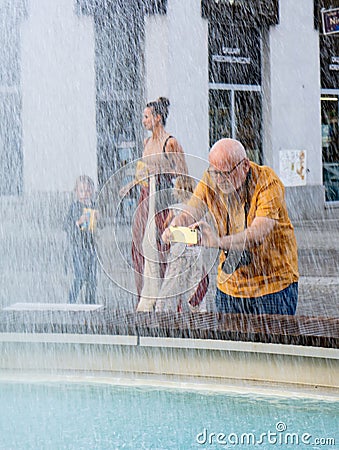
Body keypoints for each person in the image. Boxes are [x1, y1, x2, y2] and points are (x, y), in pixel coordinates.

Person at [162, 138, 299, 315]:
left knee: (272, 342)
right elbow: (192, 210)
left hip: (273, 286)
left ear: (245, 166)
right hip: (230, 287)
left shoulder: (267, 182)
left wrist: (217, 241)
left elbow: (258, 234)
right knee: (229, 342)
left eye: (226, 173)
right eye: (215, 173)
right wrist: (175, 226)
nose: (219, 180)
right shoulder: (211, 178)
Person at [120, 97, 188, 312]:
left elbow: (183, 174)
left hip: (163, 196)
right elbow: (143, 171)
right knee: (139, 246)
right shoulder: (146, 143)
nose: (143, 121)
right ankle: (145, 297)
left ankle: (167, 300)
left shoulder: (170, 142)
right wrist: (130, 184)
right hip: (145, 195)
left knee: (163, 246)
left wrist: (178, 207)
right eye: (144, 117)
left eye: (146, 116)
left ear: (158, 118)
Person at [155, 175, 209, 313]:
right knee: (195, 285)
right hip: (195, 251)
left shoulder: (175, 208)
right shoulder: (199, 209)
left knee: (170, 285)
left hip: (179, 251)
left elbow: (166, 225)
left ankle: (163, 313)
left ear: (177, 191)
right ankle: (199, 313)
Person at [64, 175, 98, 304]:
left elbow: (100, 225)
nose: (85, 194)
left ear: (93, 191)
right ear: (76, 192)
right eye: (82, 191)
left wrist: (99, 219)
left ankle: (90, 303)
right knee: (81, 276)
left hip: (91, 246)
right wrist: (78, 222)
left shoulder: (94, 206)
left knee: (92, 278)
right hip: (77, 246)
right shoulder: (74, 207)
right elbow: (66, 225)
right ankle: (71, 302)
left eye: (88, 190)